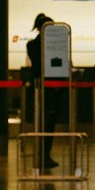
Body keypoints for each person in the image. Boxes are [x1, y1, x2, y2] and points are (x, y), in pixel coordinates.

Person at [26, 14, 60, 169]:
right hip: (44, 89)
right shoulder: (35, 45)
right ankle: (43, 154)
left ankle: (45, 154)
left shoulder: (35, 45)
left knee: (48, 122)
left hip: (48, 88)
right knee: (45, 122)